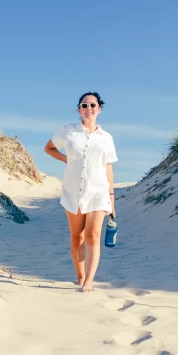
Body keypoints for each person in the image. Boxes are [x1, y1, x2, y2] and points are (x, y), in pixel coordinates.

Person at [44, 92, 118, 293]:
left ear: (99, 109)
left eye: (92, 105)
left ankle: (89, 280)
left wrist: (111, 197)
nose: (88, 108)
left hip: (98, 191)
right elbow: (49, 148)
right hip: (73, 191)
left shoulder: (106, 138)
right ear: (79, 109)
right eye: (84, 105)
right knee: (77, 237)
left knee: (93, 234)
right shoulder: (68, 131)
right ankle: (80, 276)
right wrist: (67, 160)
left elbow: (108, 167)